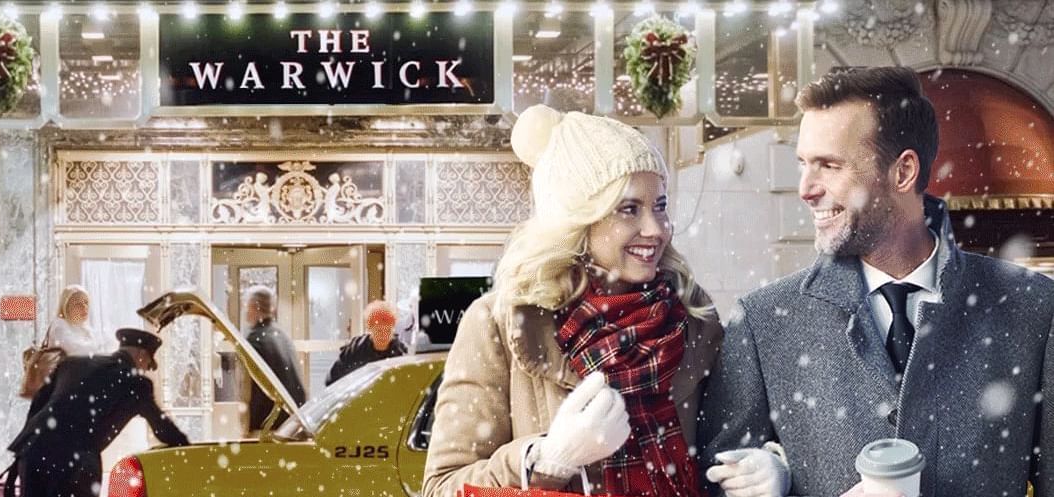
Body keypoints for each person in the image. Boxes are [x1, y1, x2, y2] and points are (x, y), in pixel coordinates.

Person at [699, 66, 1054, 497]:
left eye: (829, 165)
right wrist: (777, 482)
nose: (807, 189)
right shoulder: (763, 321)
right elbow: (714, 482)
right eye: (804, 165)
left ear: (903, 172)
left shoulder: (1033, 306)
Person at [422, 105, 723, 497]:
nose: (657, 229)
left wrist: (765, 470)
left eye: (660, 206)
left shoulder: (693, 318)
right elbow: (442, 487)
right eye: (629, 209)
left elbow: (723, 457)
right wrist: (546, 461)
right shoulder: (499, 323)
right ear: (579, 219)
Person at [7, 328, 190, 497]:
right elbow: (163, 429)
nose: (145, 369)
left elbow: (37, 407)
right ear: (141, 355)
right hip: (74, 463)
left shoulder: (72, 364)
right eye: (148, 364)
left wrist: (21, 454)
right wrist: (185, 446)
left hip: (32, 452)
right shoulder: (136, 383)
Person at [243, 286, 307, 432]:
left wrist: (251, 426)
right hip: (290, 423)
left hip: (269, 423)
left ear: (254, 306)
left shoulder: (256, 339)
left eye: (247, 305)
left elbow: (255, 388)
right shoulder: (282, 336)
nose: (246, 310)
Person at [325, 300, 409, 385]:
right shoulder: (355, 349)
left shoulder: (401, 352)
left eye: (387, 330)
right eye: (379, 330)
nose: (383, 335)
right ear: (370, 329)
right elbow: (332, 379)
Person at [46, 285, 109, 357]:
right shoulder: (59, 325)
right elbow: (76, 350)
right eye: (78, 304)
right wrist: (100, 344)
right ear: (66, 307)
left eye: (86, 302)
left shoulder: (84, 328)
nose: (84, 307)